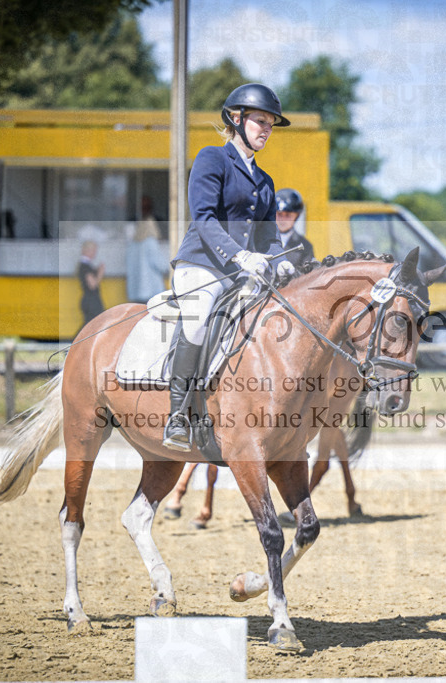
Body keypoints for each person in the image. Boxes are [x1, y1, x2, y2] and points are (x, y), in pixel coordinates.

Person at [163, 83, 294, 452]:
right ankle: (178, 413)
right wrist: (239, 255)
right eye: (260, 121)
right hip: (201, 265)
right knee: (201, 313)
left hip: (241, 274)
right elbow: (203, 218)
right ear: (236, 120)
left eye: (270, 124)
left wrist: (280, 263)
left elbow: (268, 238)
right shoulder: (212, 159)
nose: (266, 129)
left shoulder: (265, 182)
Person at [126, 196, 169, 303]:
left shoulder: (132, 244)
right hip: (151, 290)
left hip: (134, 291)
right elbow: (161, 265)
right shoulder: (150, 242)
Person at [268, 188, 314, 270]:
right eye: (279, 214)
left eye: (288, 215)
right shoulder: (260, 239)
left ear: (296, 216)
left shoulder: (306, 246)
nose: (283, 219)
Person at [77, 240, 105, 329]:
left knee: (90, 324)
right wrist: (100, 272)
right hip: (91, 301)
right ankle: (76, 341)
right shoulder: (85, 266)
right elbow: (92, 284)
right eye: (93, 251)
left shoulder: (85, 265)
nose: (95, 253)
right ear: (87, 251)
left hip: (89, 300)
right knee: (91, 325)